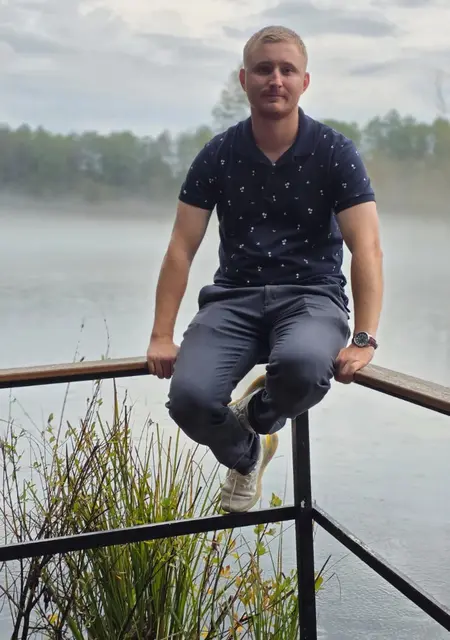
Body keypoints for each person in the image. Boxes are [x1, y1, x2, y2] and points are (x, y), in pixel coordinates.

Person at [146, 25, 383, 514]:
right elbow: (180, 248)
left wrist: (363, 339)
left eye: (287, 70)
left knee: (304, 369)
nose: (275, 79)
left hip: (311, 298)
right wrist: (161, 335)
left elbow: (367, 248)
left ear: (304, 81)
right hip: (232, 301)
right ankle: (250, 450)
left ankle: (257, 413)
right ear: (244, 79)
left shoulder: (335, 152)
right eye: (263, 69)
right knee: (188, 400)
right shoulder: (218, 154)